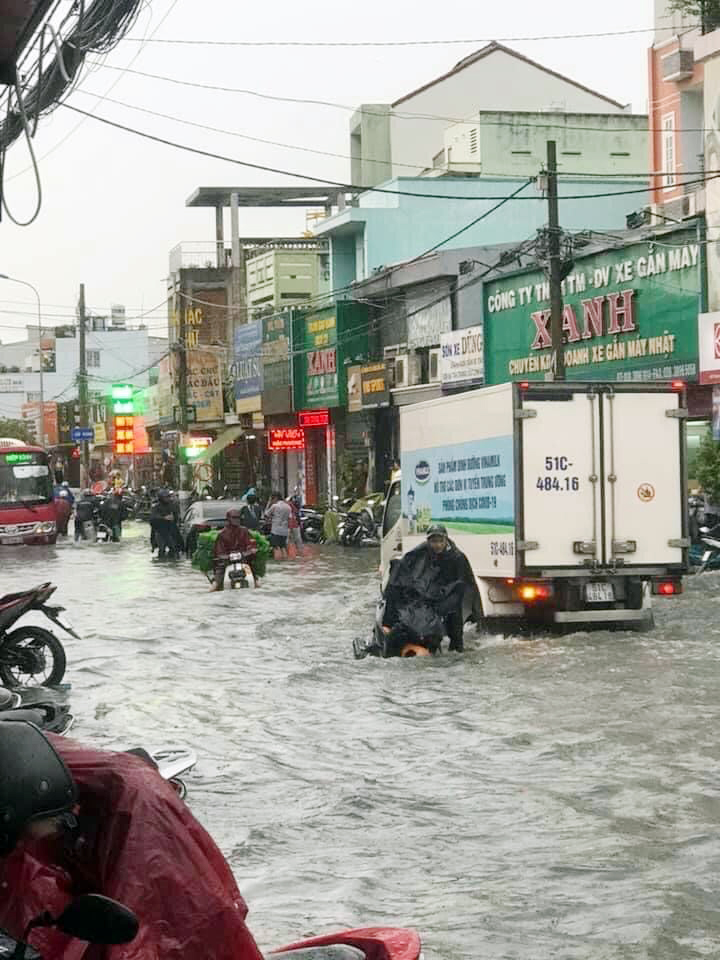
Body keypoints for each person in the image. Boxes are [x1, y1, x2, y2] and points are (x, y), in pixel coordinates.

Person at [0, 720, 265, 960]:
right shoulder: (15, 763)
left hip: (138, 813)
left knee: (171, 926)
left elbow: (140, 928)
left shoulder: (135, 820)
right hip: (64, 798)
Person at [382, 523, 480, 653]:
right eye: (434, 541)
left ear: (446, 540)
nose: (437, 545)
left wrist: (443, 601)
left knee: (455, 630)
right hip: (427, 594)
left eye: (441, 541)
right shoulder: (421, 551)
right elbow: (404, 565)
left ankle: (455, 651)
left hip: (450, 595)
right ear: (428, 541)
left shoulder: (457, 557)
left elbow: (462, 584)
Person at [211, 509, 259, 590]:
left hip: (244, 561)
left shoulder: (245, 531)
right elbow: (218, 552)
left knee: (257, 583)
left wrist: (250, 551)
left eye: (238, 518)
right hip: (226, 563)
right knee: (215, 585)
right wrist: (228, 557)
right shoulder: (222, 534)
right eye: (234, 518)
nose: (236, 520)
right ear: (228, 519)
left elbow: (251, 545)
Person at [149, 489, 182, 559]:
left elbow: (176, 516)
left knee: (175, 547)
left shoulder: (172, 505)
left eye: (168, 497)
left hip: (171, 529)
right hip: (160, 531)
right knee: (161, 549)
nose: (167, 498)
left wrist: (175, 519)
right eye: (165, 497)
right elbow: (152, 517)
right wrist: (163, 518)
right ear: (161, 498)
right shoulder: (156, 507)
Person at [264, 492, 291, 560]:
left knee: (276, 547)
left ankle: (278, 562)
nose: (272, 501)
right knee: (283, 547)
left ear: (275, 498)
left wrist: (268, 503)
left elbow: (266, 514)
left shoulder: (275, 506)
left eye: (272, 499)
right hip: (285, 531)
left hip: (276, 531)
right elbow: (289, 518)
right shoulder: (288, 507)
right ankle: (285, 561)